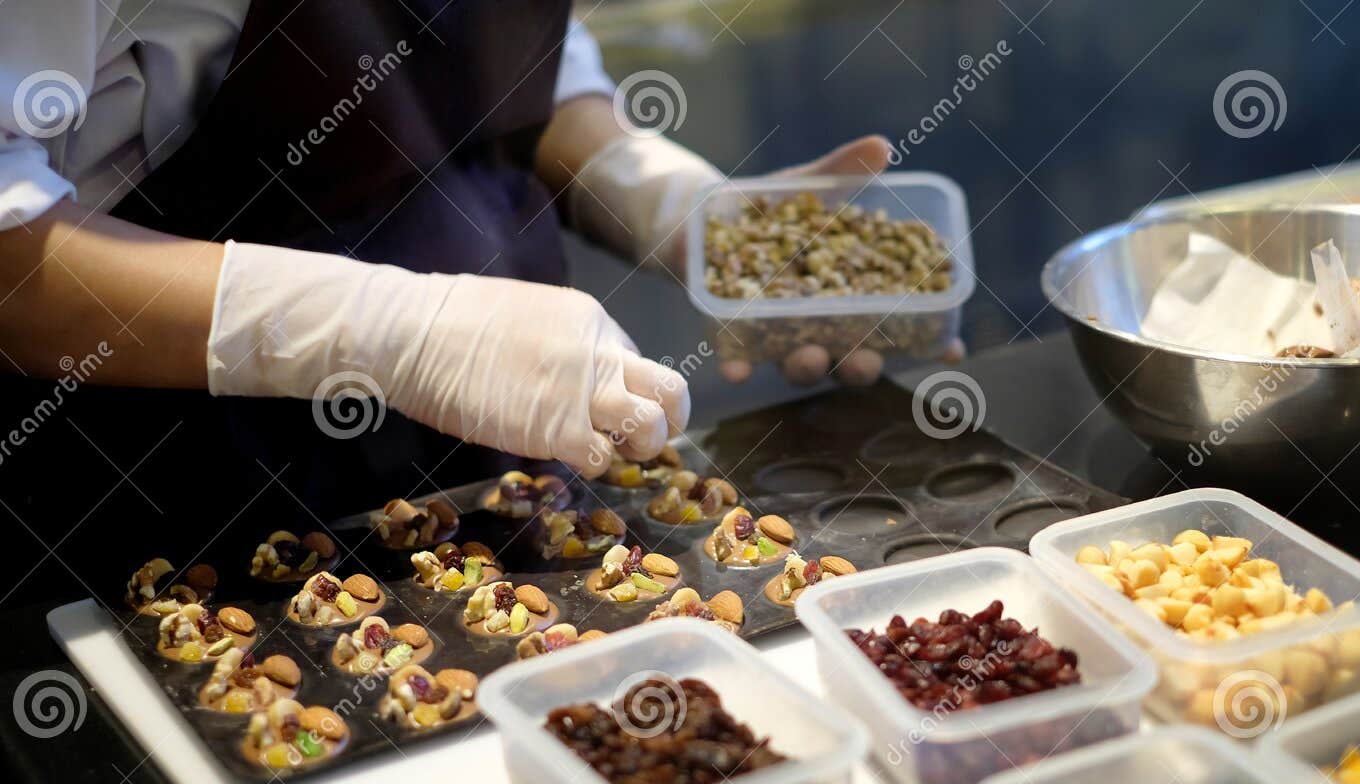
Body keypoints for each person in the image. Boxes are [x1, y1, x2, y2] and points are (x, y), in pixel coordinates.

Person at [0, 0, 905, 520]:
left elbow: (509, 55)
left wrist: (658, 199)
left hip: (487, 472)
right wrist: (398, 332)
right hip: (178, 492)